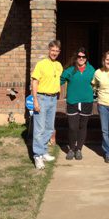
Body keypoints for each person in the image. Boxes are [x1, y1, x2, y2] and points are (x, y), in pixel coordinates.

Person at [31, 40, 63, 170]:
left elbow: (58, 81)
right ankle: (37, 156)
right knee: (39, 129)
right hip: (42, 98)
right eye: (52, 50)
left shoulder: (59, 65)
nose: (54, 53)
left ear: (59, 52)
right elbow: (34, 82)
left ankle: (43, 151)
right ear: (49, 50)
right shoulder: (41, 64)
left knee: (49, 128)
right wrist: (35, 100)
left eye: (57, 51)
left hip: (52, 99)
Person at [60, 47, 95, 160]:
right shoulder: (70, 70)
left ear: (86, 58)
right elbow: (58, 81)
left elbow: (98, 83)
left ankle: (79, 149)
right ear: (76, 58)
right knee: (72, 127)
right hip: (72, 102)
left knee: (82, 126)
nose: (81, 59)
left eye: (83, 57)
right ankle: (71, 149)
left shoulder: (91, 70)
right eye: (79, 57)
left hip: (86, 101)